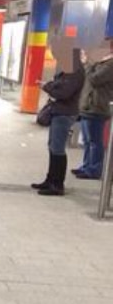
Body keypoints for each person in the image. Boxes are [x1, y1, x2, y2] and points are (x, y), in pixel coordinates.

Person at [31, 47, 84, 196]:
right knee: (53, 146)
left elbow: (64, 93)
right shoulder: (69, 69)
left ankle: (57, 184)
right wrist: (49, 85)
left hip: (64, 113)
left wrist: (46, 87)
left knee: (58, 148)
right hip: (59, 111)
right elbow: (59, 85)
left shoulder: (75, 71)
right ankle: (50, 180)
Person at [71, 45, 113, 180]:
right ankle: (86, 166)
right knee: (88, 140)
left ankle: (94, 169)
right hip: (88, 106)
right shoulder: (104, 61)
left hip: (96, 106)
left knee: (95, 141)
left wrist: (86, 63)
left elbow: (95, 79)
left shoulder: (110, 64)